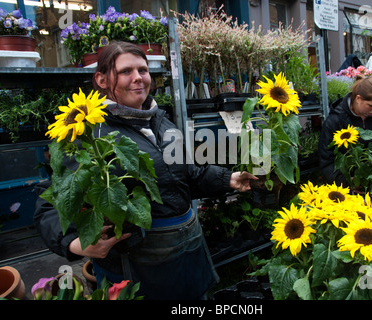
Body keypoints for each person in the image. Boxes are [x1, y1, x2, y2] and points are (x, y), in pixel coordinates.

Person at [34, 41, 257, 300]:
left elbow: (186, 174)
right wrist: (75, 243)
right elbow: (51, 201)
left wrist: (228, 178)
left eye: (143, 70)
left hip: (188, 247)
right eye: (126, 71)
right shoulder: (89, 134)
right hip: (140, 260)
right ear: (102, 79)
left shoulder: (160, 121)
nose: (138, 78)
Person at [318, 75, 372, 186]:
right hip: (348, 190)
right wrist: (346, 182)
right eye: (370, 106)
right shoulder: (335, 121)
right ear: (358, 99)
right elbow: (326, 161)